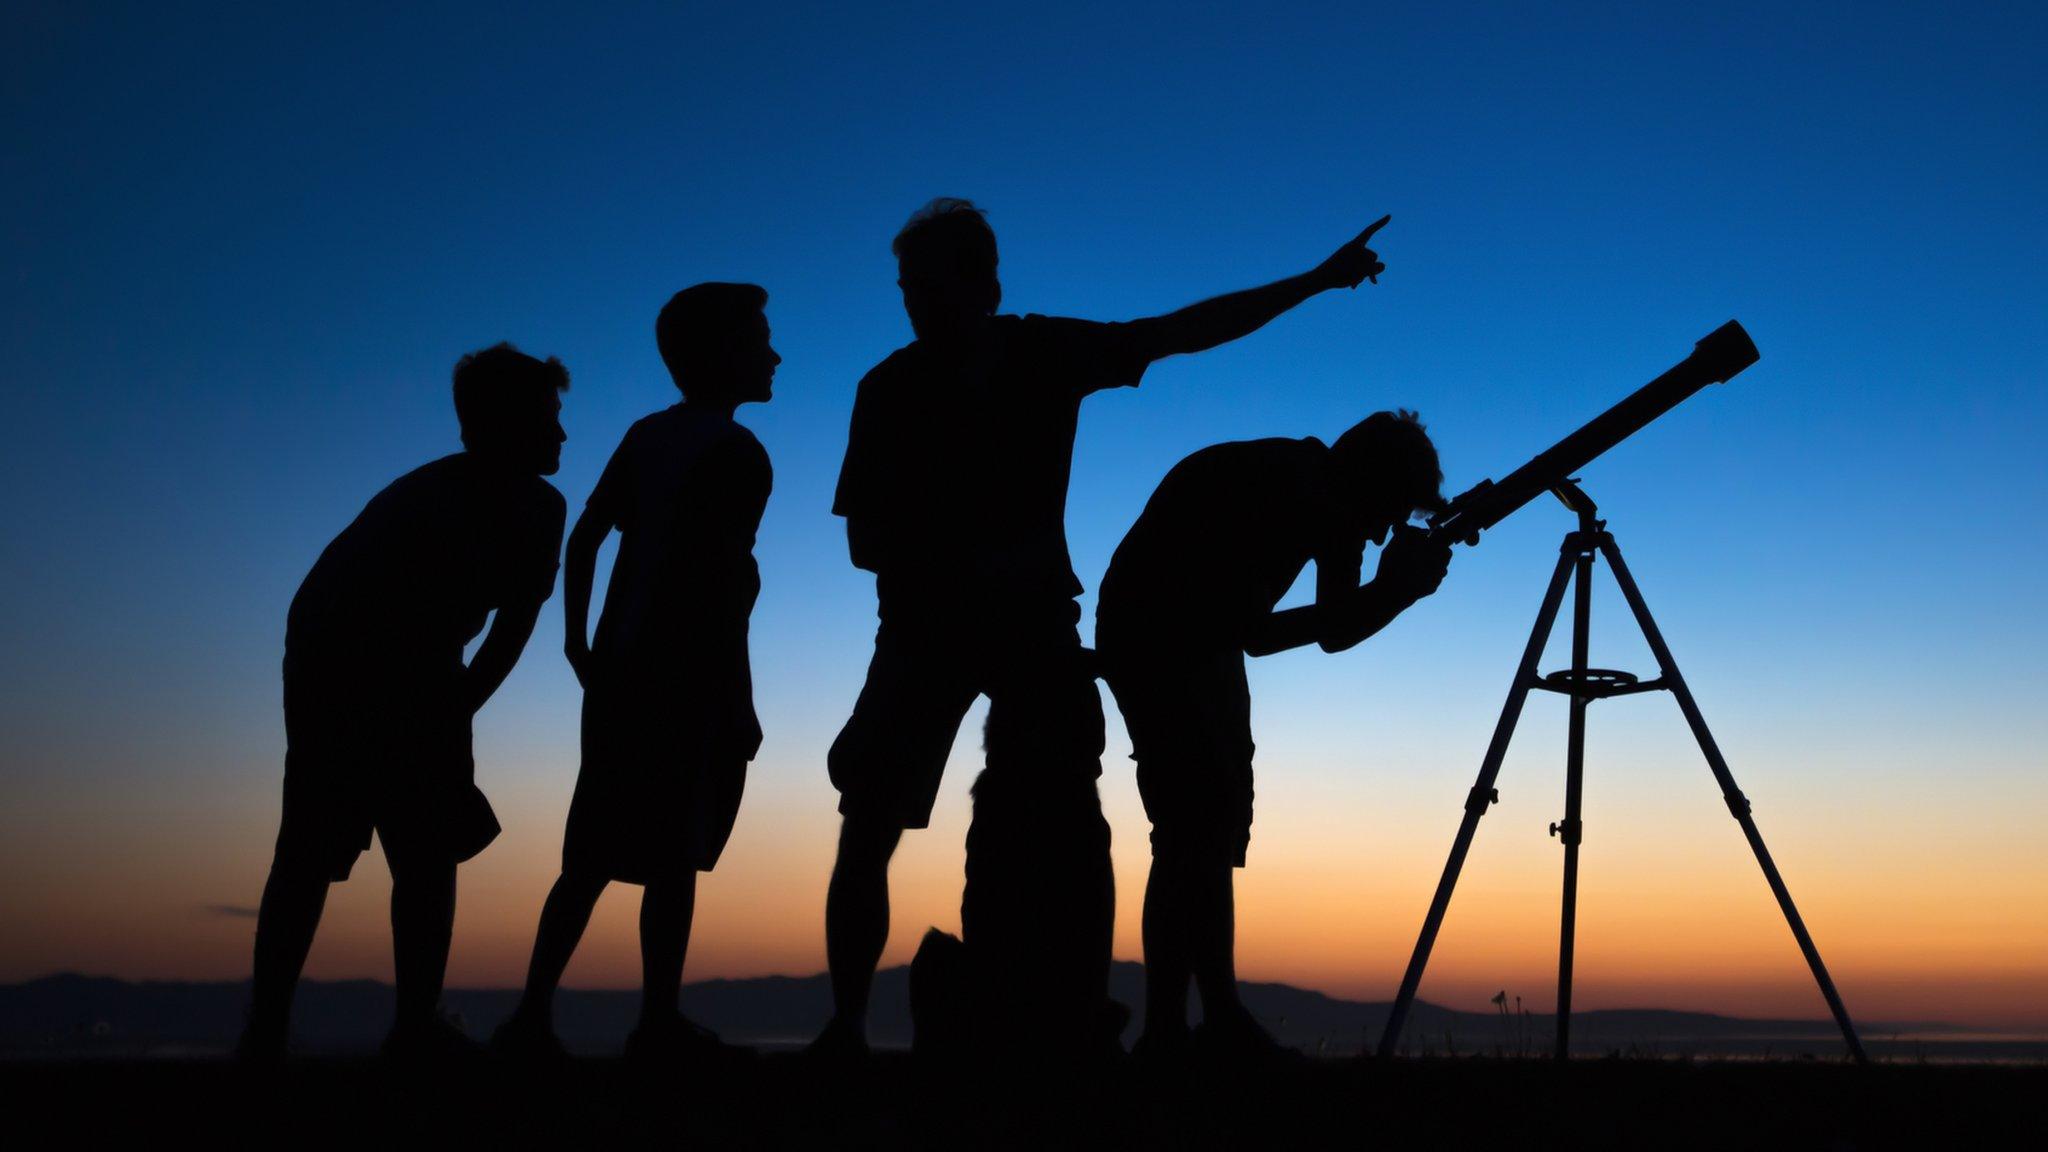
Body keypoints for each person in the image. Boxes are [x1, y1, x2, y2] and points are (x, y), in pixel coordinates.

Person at [813, 198, 1396, 1058]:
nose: (915, 304)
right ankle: (848, 1027)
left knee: (1071, 827)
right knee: (869, 819)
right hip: (926, 629)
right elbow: (866, 541)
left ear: (985, 285)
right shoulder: (888, 389)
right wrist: (966, 564)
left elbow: (1181, 330)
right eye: (908, 289)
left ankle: (1073, 1016)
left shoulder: (1041, 351)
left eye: (930, 286)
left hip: (1030, 627)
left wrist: (1314, 282)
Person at [239, 344, 570, 1061]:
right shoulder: (459, 501)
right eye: (549, 418)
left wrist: (454, 709)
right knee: (328, 845)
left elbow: (506, 634)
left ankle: (400, 1023)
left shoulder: (529, 505)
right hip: (343, 659)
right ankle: (279, 1029)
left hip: (396, 661)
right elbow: (501, 630)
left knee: (417, 848)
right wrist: (444, 712)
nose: (562, 434)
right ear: (503, 425)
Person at [1094, 411, 1454, 1060]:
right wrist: (1396, 592)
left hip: (1200, 639)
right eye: (1386, 511)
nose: (1377, 534)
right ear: (1363, 478)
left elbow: (1335, 628)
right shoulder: (1275, 486)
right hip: (1154, 633)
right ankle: (1173, 1030)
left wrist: (1396, 593)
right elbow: (1257, 635)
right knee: (1191, 822)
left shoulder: (1331, 499)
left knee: (1213, 818)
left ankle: (1211, 1020)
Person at [492, 284, 777, 1061]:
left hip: (620, 669)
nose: (774, 354)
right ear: (721, 357)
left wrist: (579, 641)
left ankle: (531, 1016)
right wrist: (740, 699)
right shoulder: (738, 454)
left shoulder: (649, 434)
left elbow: (585, 536)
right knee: (674, 854)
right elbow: (719, 591)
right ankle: (656, 1024)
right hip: (682, 676)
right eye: (759, 340)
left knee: (588, 855)